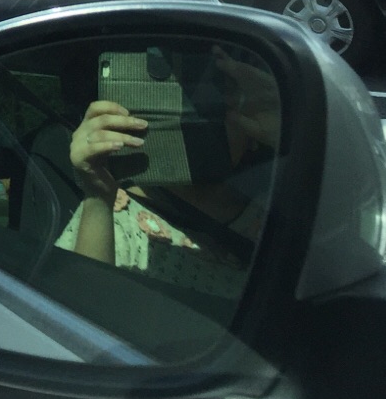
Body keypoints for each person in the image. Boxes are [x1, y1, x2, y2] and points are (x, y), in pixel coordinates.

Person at [54, 47, 280, 299]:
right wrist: (97, 198)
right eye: (169, 99)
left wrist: (288, 131)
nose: (192, 119)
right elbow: (79, 309)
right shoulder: (113, 218)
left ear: (253, 135)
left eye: (216, 98)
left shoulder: (283, 211)